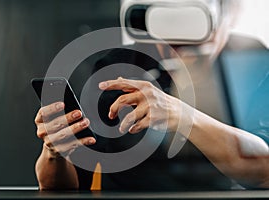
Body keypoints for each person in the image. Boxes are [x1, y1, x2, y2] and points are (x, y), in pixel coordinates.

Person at [34, 0, 269, 191]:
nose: (176, 42)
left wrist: (180, 114)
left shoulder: (248, 61)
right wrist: (55, 152)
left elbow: (264, 172)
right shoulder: (121, 66)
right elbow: (66, 185)